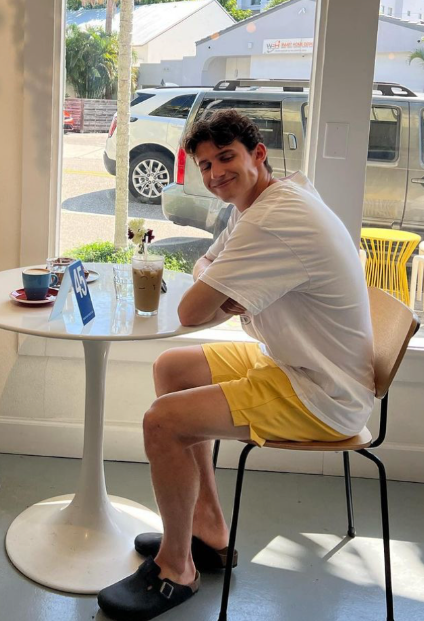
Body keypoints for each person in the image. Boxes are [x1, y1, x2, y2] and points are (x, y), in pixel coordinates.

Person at [97, 109, 374, 621]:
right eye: (205, 165)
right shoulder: (260, 203)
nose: (215, 174)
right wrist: (226, 291)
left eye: (226, 158)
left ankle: (177, 569)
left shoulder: (273, 218)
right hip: (293, 362)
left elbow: (191, 309)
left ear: (258, 154)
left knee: (162, 422)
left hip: (322, 392)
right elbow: (206, 265)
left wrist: (221, 293)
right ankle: (208, 531)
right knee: (172, 369)